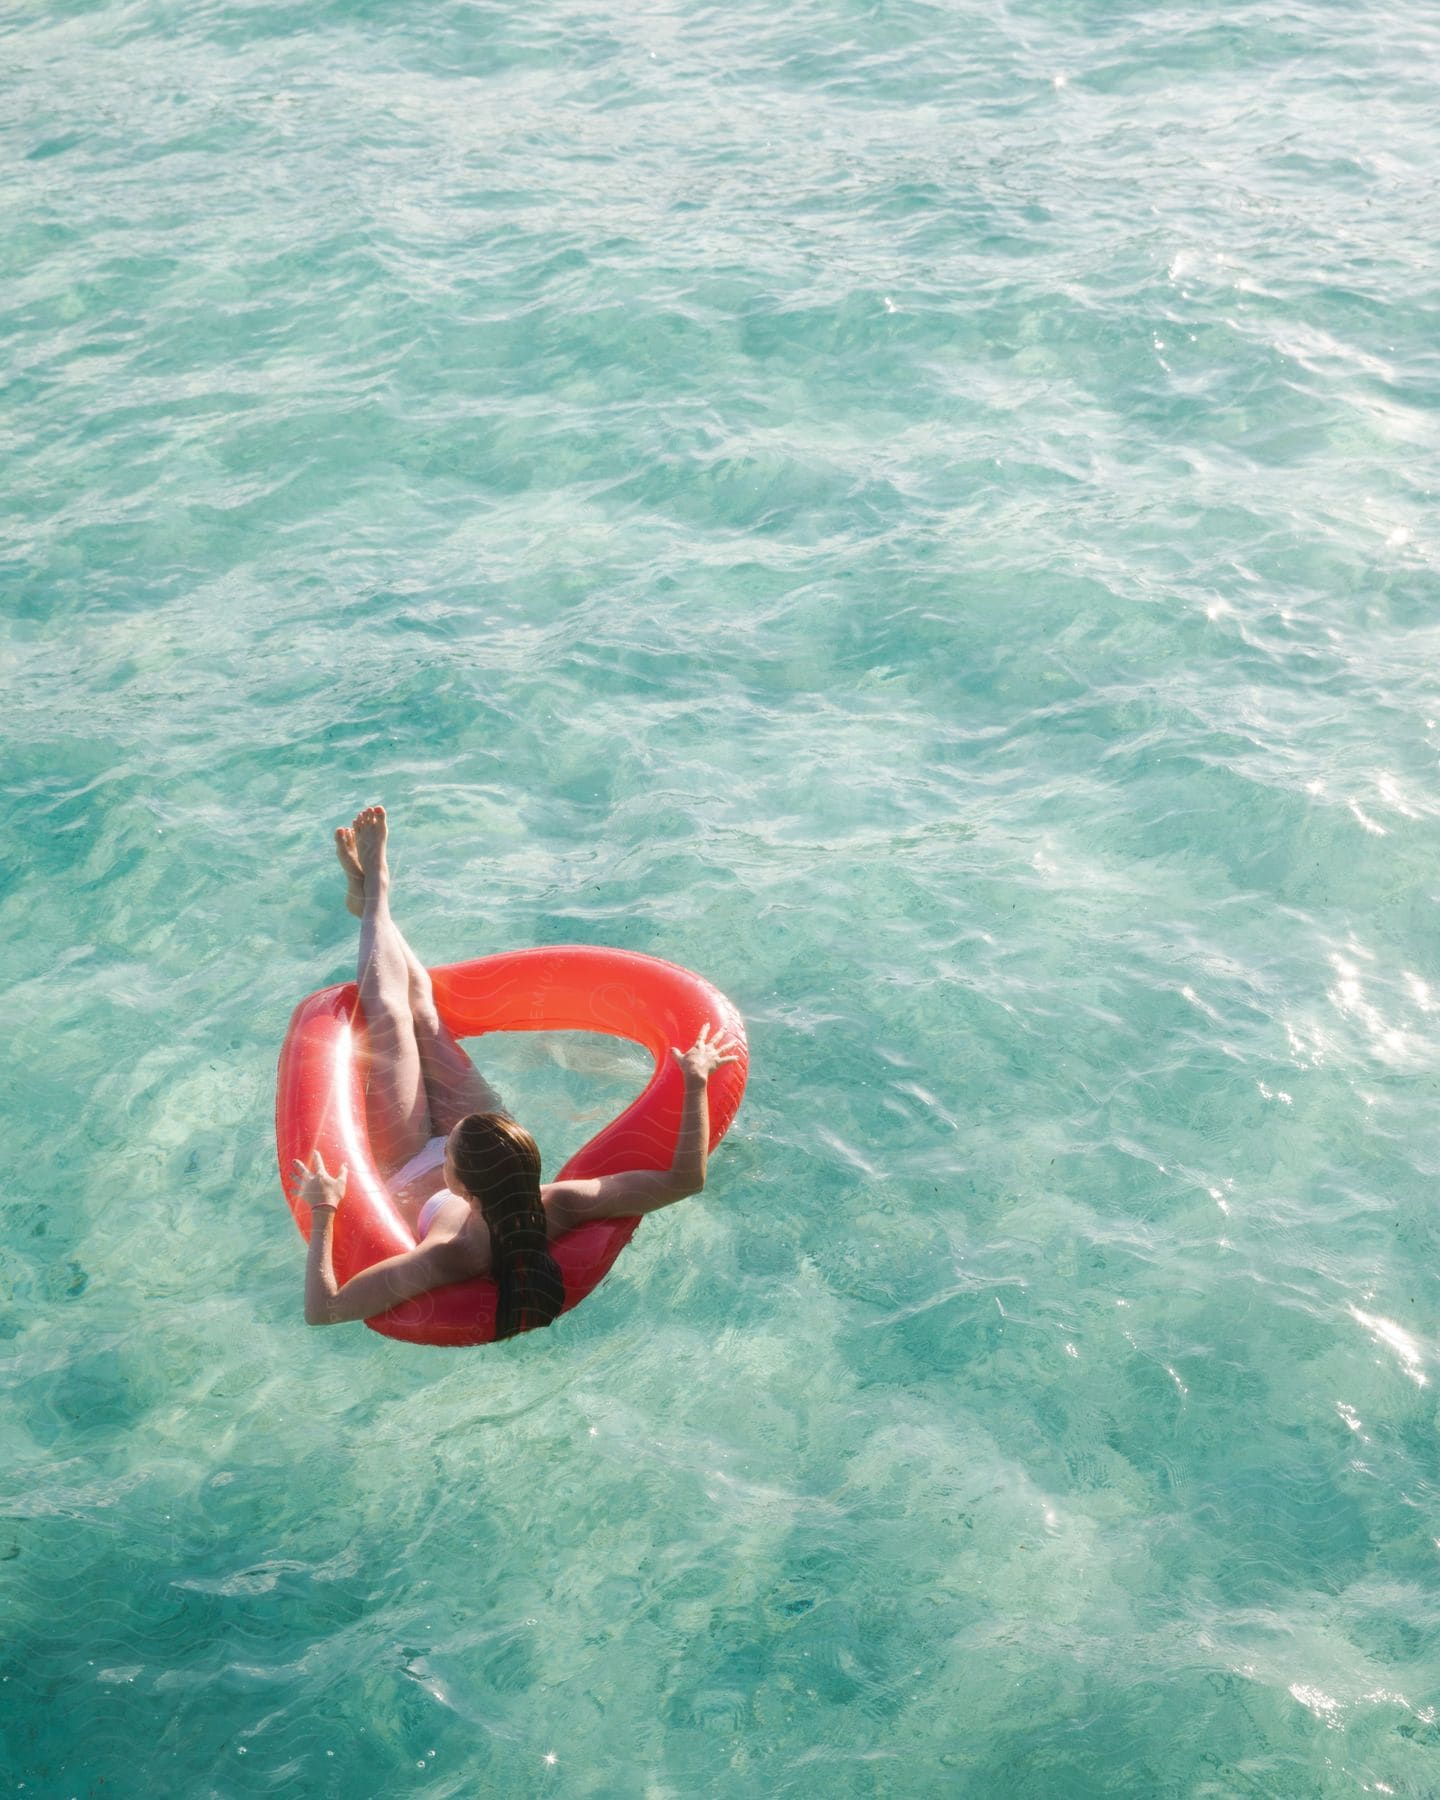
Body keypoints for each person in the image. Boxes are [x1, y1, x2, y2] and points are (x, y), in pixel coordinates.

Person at [293, 805, 740, 1337]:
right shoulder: (562, 1202)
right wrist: (693, 1083)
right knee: (427, 1016)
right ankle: (370, 904)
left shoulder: (448, 1252)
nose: (453, 1122)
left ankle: (376, 897)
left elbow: (326, 1310)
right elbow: (684, 1181)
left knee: (390, 1019)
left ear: (462, 1186)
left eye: (457, 1139)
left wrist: (323, 1211)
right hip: (482, 1158)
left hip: (409, 1160)